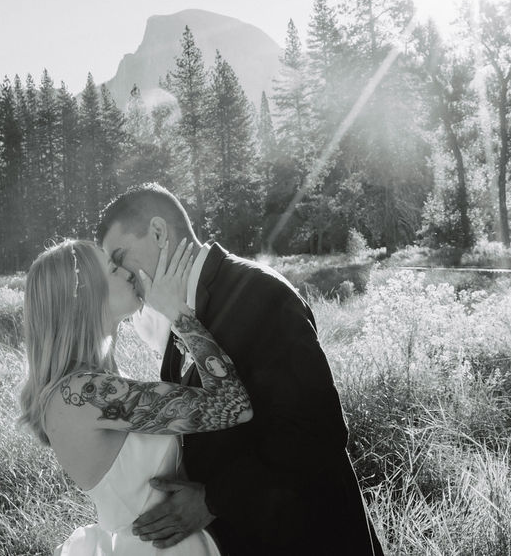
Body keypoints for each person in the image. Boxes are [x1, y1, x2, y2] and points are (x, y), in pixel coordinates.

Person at [96, 183, 384, 555]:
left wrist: (211, 500)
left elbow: (318, 432)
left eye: (121, 257)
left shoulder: (261, 293)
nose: (121, 273)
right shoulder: (177, 315)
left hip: (310, 535)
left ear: (157, 232)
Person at [19, 237, 254, 555]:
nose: (127, 272)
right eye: (112, 268)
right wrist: (177, 313)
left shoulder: (88, 386)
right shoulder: (84, 393)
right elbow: (233, 406)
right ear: (83, 293)